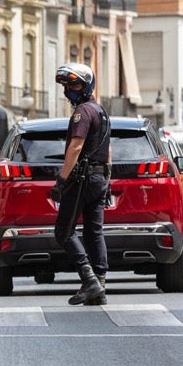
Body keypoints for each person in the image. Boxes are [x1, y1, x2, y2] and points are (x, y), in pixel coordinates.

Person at [50, 62, 110, 306]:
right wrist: (107, 179)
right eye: (66, 85)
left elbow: (75, 147)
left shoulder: (82, 113)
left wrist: (62, 180)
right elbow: (108, 150)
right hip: (98, 179)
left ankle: (90, 279)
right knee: (94, 231)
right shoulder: (101, 111)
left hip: (82, 178)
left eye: (74, 84)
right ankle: (100, 288)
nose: (69, 90)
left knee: (63, 231)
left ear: (87, 85)